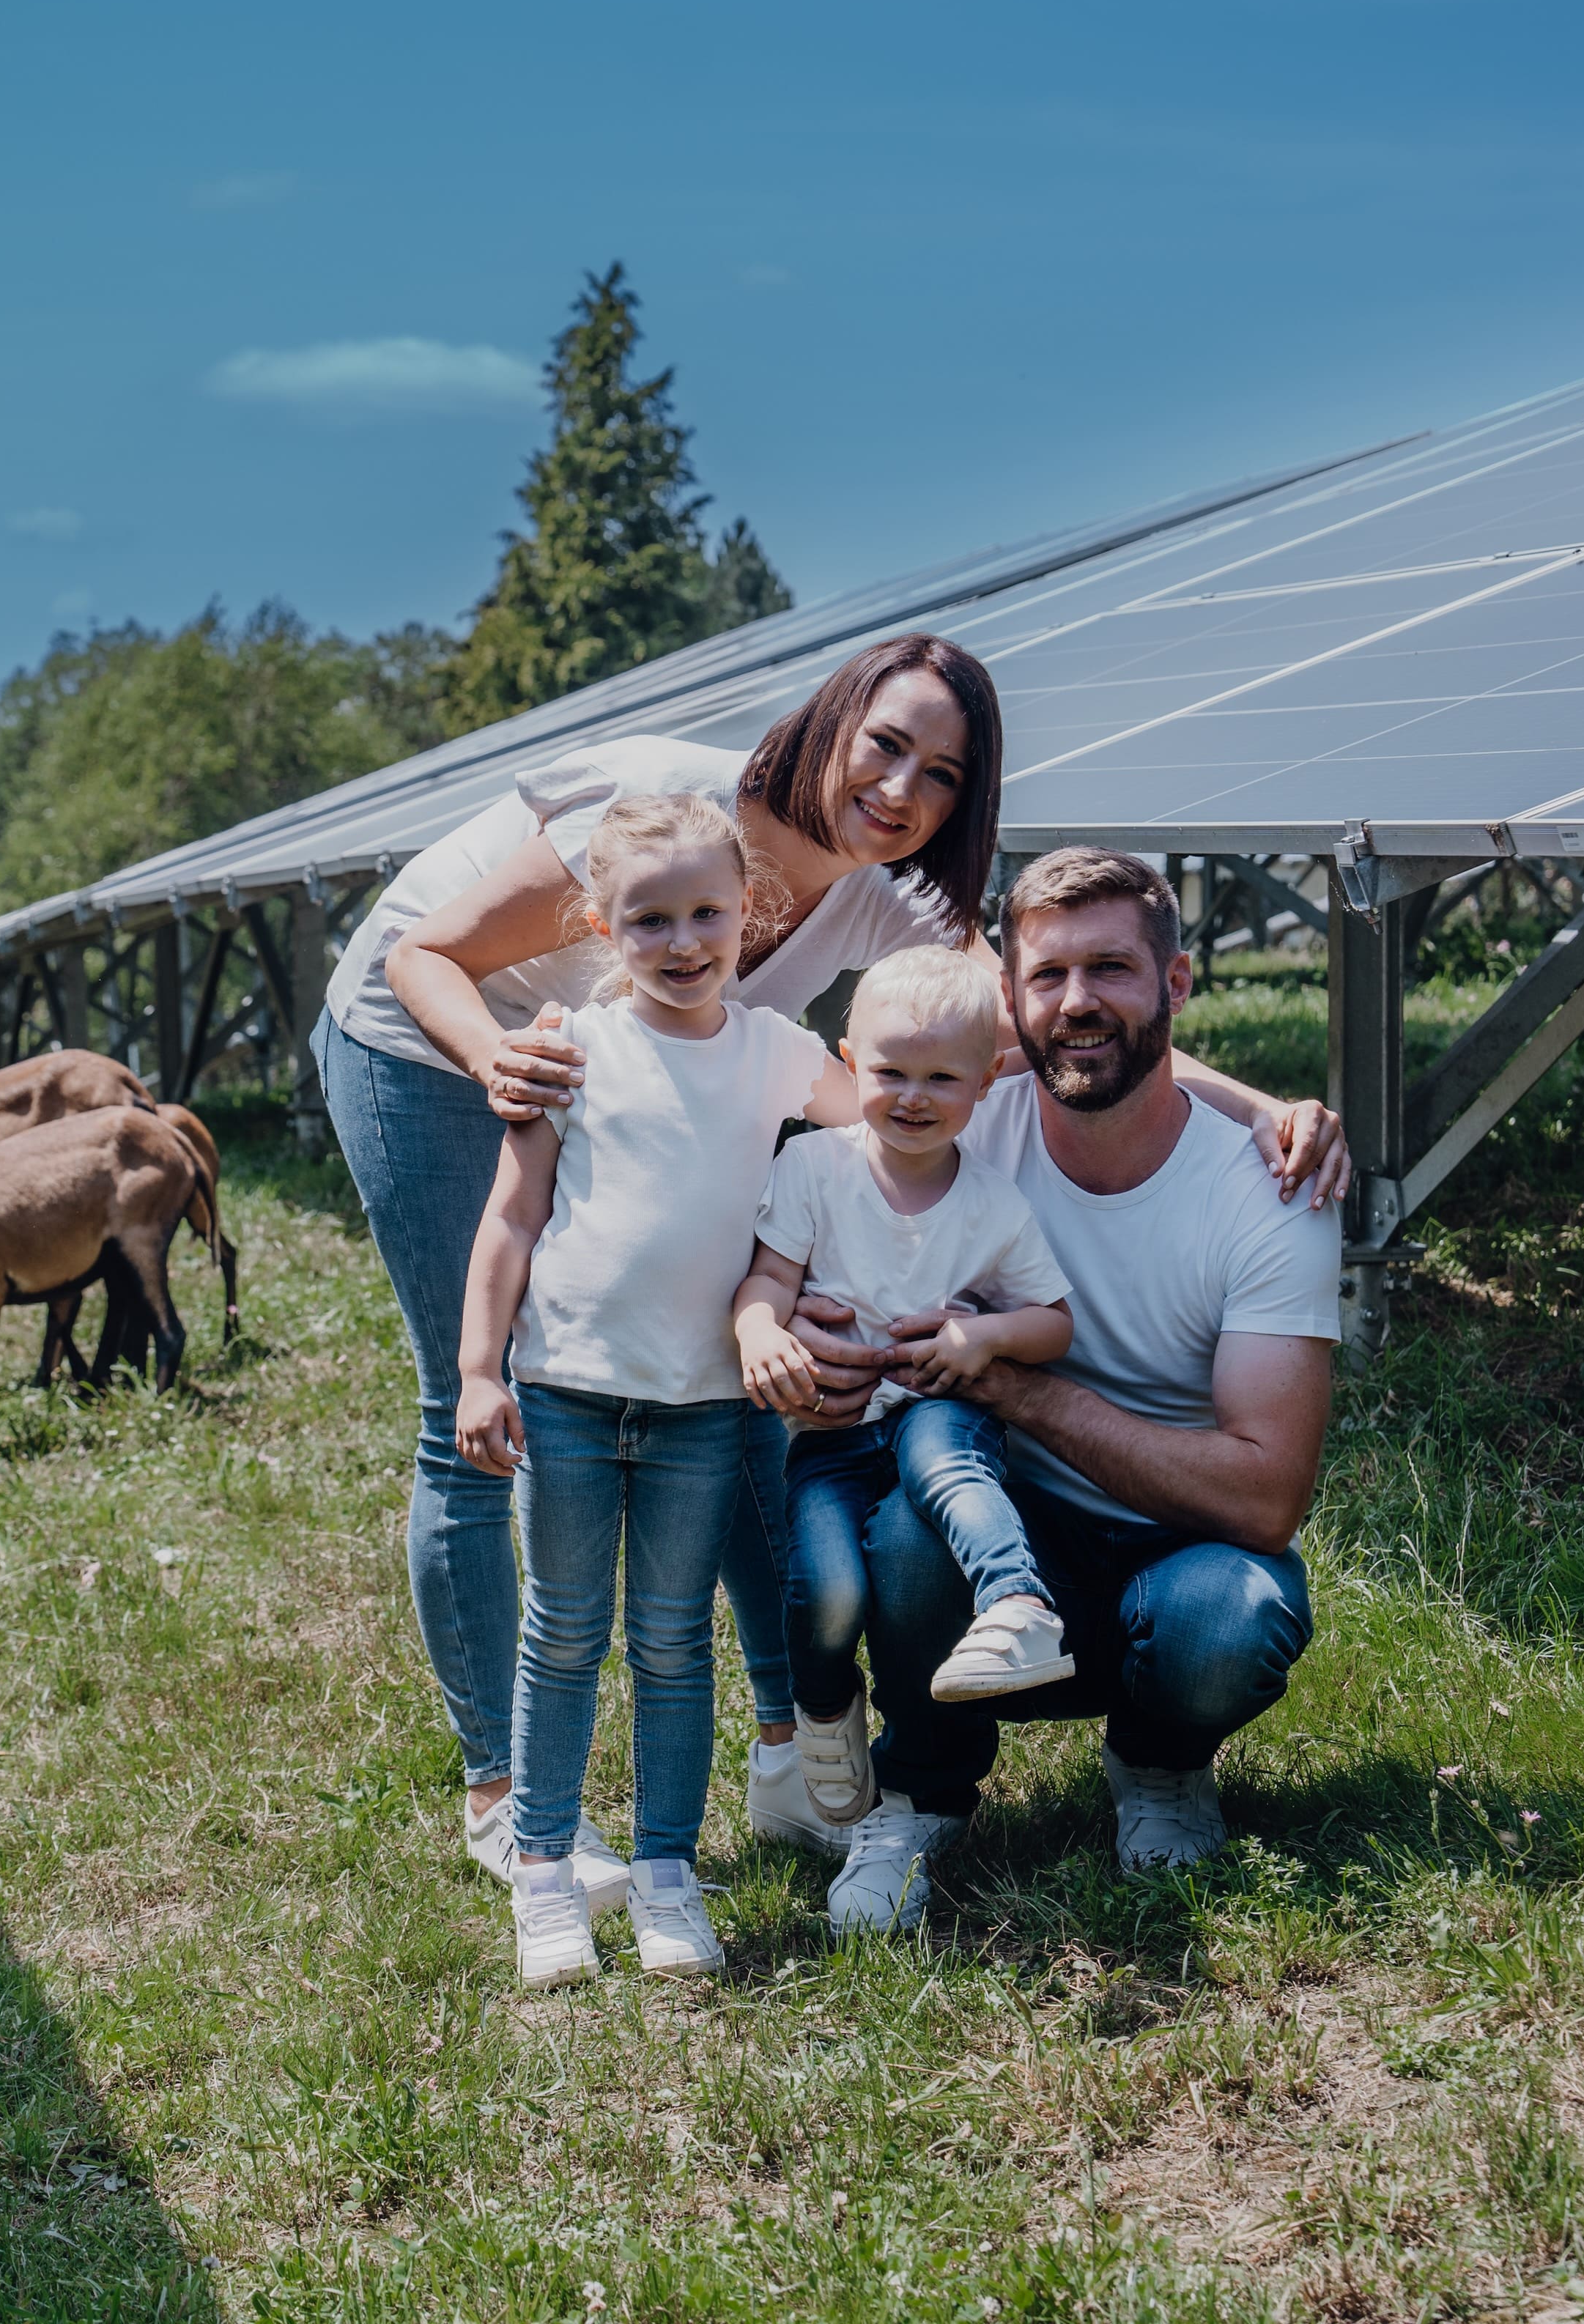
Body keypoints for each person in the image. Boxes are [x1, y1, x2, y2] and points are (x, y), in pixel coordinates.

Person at [312, 634, 1349, 1903]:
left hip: (649, 1078)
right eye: (888, 744)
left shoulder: (888, 895)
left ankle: (784, 1742)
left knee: (734, 1378)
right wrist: (496, 1061)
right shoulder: (672, 804)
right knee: (477, 1402)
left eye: (944, 775)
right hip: (435, 1044)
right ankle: (499, 1789)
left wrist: (1263, 1107)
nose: (904, 788)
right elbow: (427, 949)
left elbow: (1054, 1020)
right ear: (833, 719)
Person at [784, 846, 1341, 1941]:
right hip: (993, 1539)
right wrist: (797, 1317)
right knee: (906, 1532)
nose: (1078, 1003)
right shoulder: (960, 1118)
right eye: (1049, 976)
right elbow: (804, 1195)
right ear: (1009, 1003)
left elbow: (1269, 1500)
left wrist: (1018, 1391)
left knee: (1240, 1616)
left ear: (1175, 986)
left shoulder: (1272, 1193)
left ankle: (1160, 1764)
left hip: (1175, 1550)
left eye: (1113, 971)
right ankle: (919, 1791)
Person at [451, 793, 858, 1984]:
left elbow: (872, 1140)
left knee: (675, 1642)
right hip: (571, 1393)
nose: (683, 941)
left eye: (705, 913)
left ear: (748, 911)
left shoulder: (778, 1048)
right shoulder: (573, 1042)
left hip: (700, 1408)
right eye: (649, 918)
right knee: (563, 1631)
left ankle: (671, 1870)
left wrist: (819, 1281)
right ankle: (543, 1871)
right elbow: (512, 1215)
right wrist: (480, 1369)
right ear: (600, 921)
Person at [732, 946, 1080, 1748]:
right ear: (850, 1063)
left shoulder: (991, 1201)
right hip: (831, 1435)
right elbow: (769, 1278)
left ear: (987, 1081)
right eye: (891, 1072)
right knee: (826, 1588)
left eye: (943, 1079)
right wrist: (757, 1328)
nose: (913, 1097)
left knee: (948, 1467)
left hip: (936, 1404)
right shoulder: (814, 1166)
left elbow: (1053, 1321)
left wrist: (983, 1334)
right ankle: (821, 1706)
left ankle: (1017, 1602)